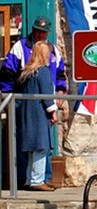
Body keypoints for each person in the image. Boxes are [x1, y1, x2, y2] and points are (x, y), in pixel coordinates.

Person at [0, 16, 67, 186]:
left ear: (48, 33)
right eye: (37, 31)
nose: (39, 34)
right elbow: (7, 73)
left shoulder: (52, 49)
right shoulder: (20, 46)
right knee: (32, 142)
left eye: (43, 32)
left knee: (41, 141)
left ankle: (42, 178)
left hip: (46, 101)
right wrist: (9, 97)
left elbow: (60, 72)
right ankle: (28, 179)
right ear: (33, 29)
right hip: (24, 101)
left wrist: (60, 90)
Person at [17, 41, 58, 191]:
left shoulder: (27, 72)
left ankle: (30, 179)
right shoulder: (43, 71)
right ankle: (37, 180)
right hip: (39, 113)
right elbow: (46, 95)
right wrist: (53, 112)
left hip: (27, 113)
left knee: (32, 149)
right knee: (40, 147)